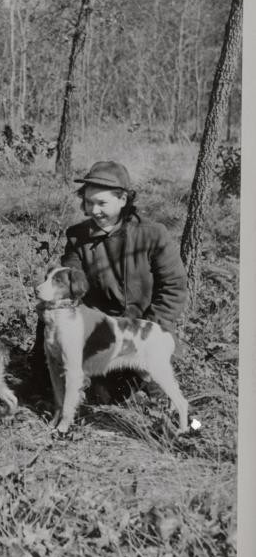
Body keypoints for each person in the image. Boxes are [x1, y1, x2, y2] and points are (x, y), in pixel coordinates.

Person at [28, 160, 188, 403]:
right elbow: (70, 281)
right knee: (96, 396)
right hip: (100, 336)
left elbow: (173, 288)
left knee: (156, 397)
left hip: (141, 334)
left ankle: (172, 411)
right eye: (88, 202)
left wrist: (149, 334)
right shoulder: (78, 236)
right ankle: (47, 388)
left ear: (123, 200)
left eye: (102, 203)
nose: (94, 210)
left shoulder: (153, 235)